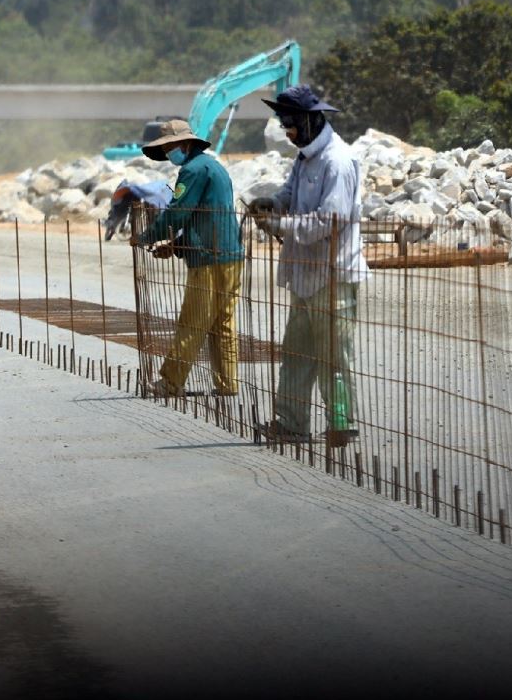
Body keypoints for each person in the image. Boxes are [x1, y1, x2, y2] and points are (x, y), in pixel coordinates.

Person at [247, 86, 369, 443]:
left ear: (311, 120)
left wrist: (280, 225)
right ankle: (291, 423)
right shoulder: (304, 158)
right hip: (305, 273)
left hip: (333, 275)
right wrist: (272, 202)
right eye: (284, 124)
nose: (288, 131)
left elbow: (330, 221)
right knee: (296, 352)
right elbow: (290, 193)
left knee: (335, 355)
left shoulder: (338, 161)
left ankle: (342, 423)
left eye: (291, 124)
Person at [133, 118, 244, 397]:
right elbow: (205, 216)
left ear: (184, 143)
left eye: (170, 147)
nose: (170, 153)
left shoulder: (192, 171)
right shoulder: (214, 167)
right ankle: (227, 383)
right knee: (223, 322)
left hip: (207, 258)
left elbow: (178, 212)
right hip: (230, 253)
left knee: (194, 320)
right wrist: (177, 246)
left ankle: (171, 382)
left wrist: (145, 236)